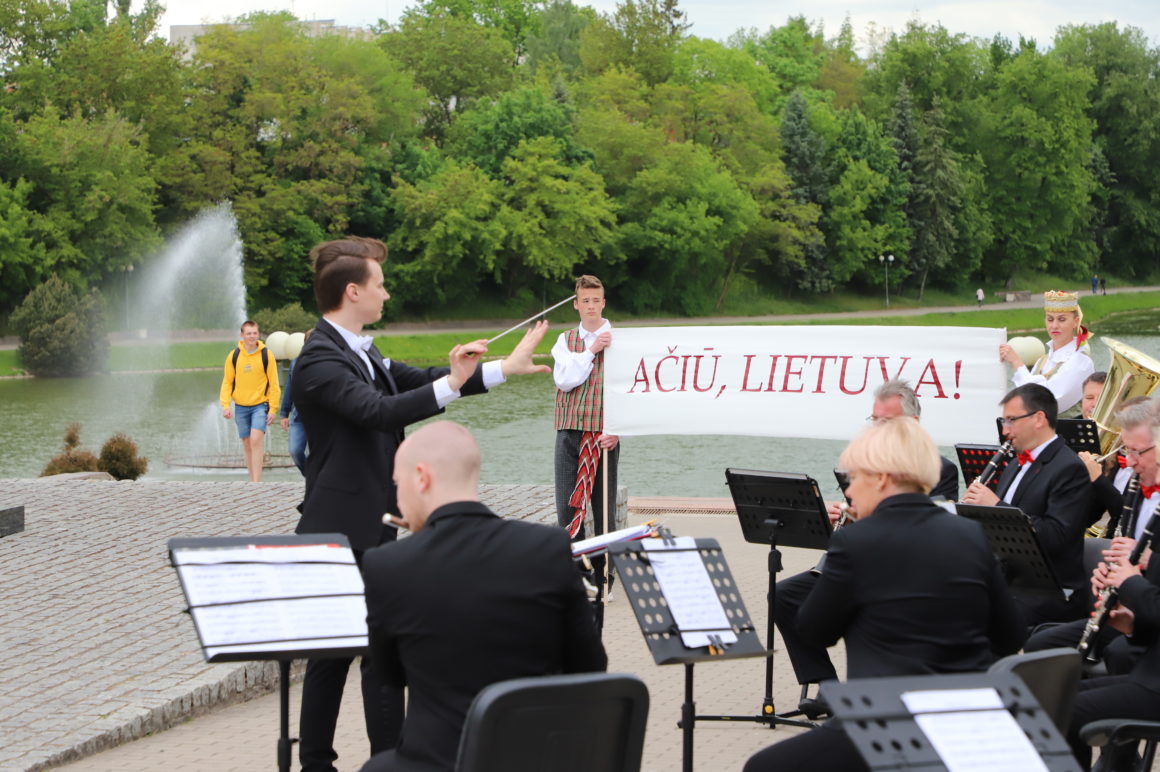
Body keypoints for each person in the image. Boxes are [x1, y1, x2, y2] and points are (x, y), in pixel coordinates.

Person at [291, 236, 551, 772]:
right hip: (336, 528)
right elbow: (377, 410)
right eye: (380, 285)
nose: (386, 294)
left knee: (376, 654)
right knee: (331, 658)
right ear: (353, 291)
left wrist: (502, 368)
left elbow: (422, 382)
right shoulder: (318, 358)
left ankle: (389, 761)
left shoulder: (363, 350)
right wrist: (452, 381)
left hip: (375, 523)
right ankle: (318, 764)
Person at [745, 418, 1025, 772]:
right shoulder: (970, 533)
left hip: (888, 719)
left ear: (880, 479)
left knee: (763, 767)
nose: (849, 491)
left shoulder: (855, 541)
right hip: (966, 716)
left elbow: (815, 631)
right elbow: (1011, 636)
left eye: (853, 478)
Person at [358, 421, 608, 772]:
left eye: (398, 485)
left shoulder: (387, 565)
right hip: (536, 759)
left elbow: (389, 674)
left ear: (422, 478)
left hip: (437, 760)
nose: (398, 501)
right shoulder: (548, 547)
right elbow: (590, 665)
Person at [775, 379, 958, 716]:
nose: (877, 428)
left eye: (886, 421)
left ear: (912, 423)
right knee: (784, 595)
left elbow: (929, 527)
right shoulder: (863, 463)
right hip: (859, 562)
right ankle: (827, 685)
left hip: (901, 572)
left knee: (854, 609)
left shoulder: (939, 469)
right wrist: (841, 515)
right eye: (874, 420)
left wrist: (867, 517)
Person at [1025, 398, 1160, 665]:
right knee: (1039, 644)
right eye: (1127, 451)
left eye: (1136, 452)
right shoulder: (1138, 487)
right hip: (1129, 609)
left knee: (1117, 655)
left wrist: (1145, 559)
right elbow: (1091, 517)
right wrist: (1110, 576)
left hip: (1150, 611)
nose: (1129, 461)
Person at [961, 383, 1092, 625]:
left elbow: (1056, 536)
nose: (1005, 430)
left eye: (1011, 420)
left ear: (1039, 418)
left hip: (1050, 592)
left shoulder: (1069, 468)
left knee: (976, 617)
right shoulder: (1013, 464)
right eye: (1004, 421)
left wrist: (997, 507)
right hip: (1011, 582)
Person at [552, 275, 619, 586]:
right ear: (576, 305)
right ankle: (576, 576)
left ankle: (605, 576)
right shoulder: (565, 340)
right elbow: (565, 381)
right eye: (585, 301)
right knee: (568, 506)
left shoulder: (620, 341)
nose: (591, 306)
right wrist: (592, 349)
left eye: (596, 300)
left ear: (603, 303)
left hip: (604, 435)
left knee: (603, 509)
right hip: (569, 431)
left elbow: (630, 390)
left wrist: (619, 431)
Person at [1000, 290, 1094, 416]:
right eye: (1050, 319)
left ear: (1076, 321)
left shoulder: (1081, 362)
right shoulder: (1042, 361)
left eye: (1062, 319)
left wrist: (1017, 363)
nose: (1054, 325)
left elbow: (1046, 402)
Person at [219, 320, 280, 482]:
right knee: (246, 443)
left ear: (258, 334)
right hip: (240, 407)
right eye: (248, 333)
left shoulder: (267, 355)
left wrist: (273, 408)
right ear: (242, 335)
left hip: (260, 406)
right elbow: (227, 382)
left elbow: (274, 384)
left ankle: (257, 482)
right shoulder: (234, 356)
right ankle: (252, 479)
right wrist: (226, 405)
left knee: (255, 440)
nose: (252, 336)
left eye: (254, 333)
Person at [279, 331, 312, 476]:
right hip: (298, 416)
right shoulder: (296, 362)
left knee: (316, 453)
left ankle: (315, 483)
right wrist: (284, 413)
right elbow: (289, 389)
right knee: (295, 450)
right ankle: (310, 477)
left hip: (319, 418)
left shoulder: (326, 363)